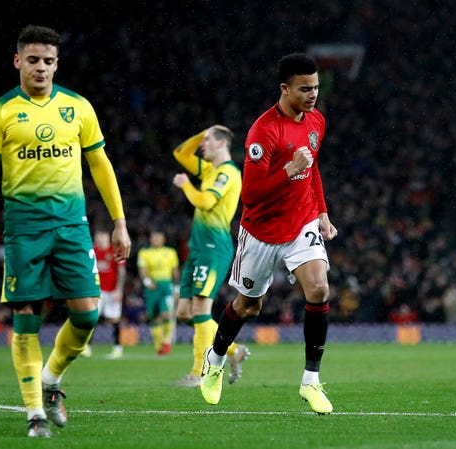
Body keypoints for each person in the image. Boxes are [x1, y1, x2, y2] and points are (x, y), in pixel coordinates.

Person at [0, 25, 131, 438]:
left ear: (57, 64)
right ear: (18, 61)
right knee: (25, 317)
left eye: (49, 61)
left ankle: (52, 378)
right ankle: (34, 413)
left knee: (87, 314)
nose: (41, 67)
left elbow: (101, 165)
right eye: (34, 60)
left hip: (72, 225)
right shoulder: (0, 111)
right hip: (24, 230)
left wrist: (119, 221)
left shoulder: (78, 107)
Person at [199, 53, 337, 414]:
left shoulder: (317, 121)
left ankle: (311, 380)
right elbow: (252, 194)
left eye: (316, 87)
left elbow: (313, 166)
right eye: (305, 88)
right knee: (249, 306)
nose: (313, 95)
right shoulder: (264, 131)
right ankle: (214, 358)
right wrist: (290, 169)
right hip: (261, 231)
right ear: (285, 88)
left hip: (302, 222)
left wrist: (321, 211)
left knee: (320, 287)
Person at [171, 125, 250, 388]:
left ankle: (198, 373)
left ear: (221, 144)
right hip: (198, 247)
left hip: (214, 247)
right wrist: (203, 131)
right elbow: (181, 153)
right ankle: (233, 350)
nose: (201, 145)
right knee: (185, 311)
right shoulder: (209, 169)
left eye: (207, 141)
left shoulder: (227, 174)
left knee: (201, 309)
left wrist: (185, 185)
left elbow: (205, 202)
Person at [82, 229, 127, 359]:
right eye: (99, 237)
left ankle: (117, 348)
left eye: (104, 237)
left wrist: (119, 290)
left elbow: (122, 272)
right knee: (92, 318)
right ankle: (86, 348)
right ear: (95, 239)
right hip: (97, 291)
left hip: (112, 291)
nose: (101, 240)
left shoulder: (116, 251)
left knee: (114, 319)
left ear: (109, 239)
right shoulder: (92, 251)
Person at [136, 229, 179, 355]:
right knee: (154, 317)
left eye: (158, 237)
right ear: (150, 239)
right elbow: (143, 270)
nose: (156, 240)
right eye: (154, 238)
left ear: (163, 239)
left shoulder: (170, 252)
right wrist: (148, 282)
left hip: (166, 286)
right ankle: (158, 345)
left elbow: (175, 271)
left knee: (166, 314)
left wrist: (176, 288)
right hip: (152, 287)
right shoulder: (144, 253)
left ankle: (166, 343)